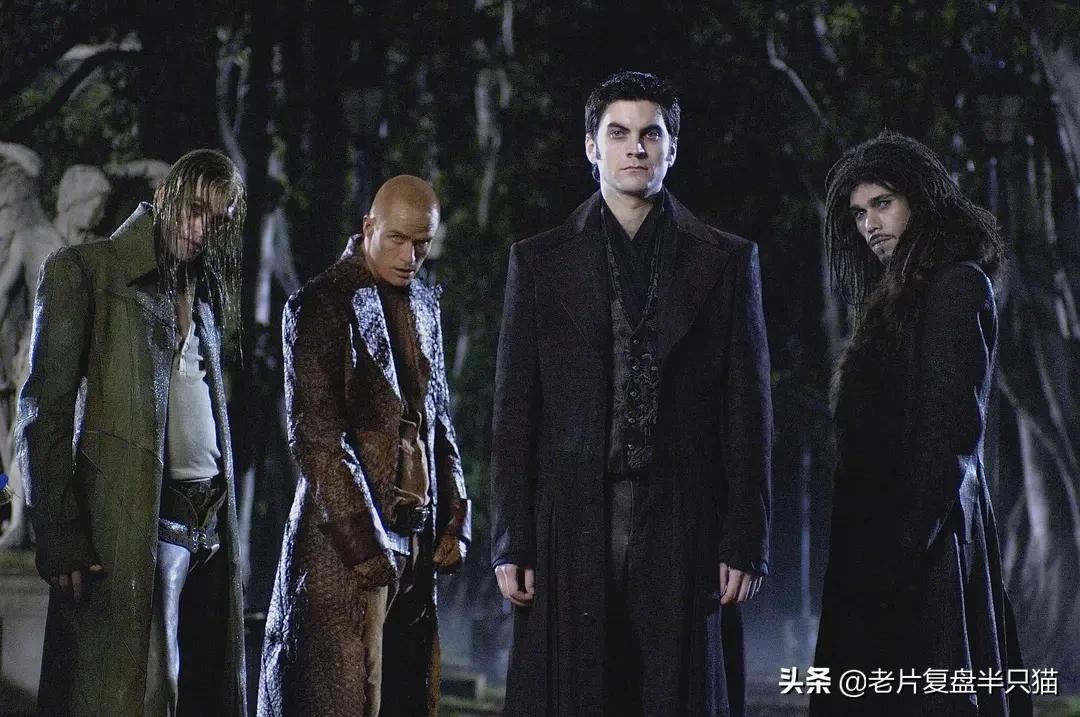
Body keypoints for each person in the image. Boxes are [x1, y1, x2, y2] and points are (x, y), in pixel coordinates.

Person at [489, 70, 773, 716]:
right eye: (618, 133)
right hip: (569, 518)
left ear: (673, 147)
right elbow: (513, 412)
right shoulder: (537, 260)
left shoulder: (728, 260)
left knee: (678, 695)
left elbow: (749, 413)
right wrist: (512, 540)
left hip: (684, 517)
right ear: (591, 147)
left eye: (652, 134)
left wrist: (746, 539)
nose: (636, 147)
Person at [16, 148, 248, 715]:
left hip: (208, 526)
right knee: (142, 694)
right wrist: (59, 534)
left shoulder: (204, 292)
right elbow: (44, 410)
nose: (202, 229)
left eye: (216, 220)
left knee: (200, 693)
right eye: (194, 210)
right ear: (166, 197)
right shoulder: (86, 271)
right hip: (133, 525)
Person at [812, 131, 1031, 716]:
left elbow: (952, 430)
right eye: (859, 212)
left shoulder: (955, 285)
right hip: (888, 535)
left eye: (882, 204)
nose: (870, 225)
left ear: (920, 200)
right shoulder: (895, 296)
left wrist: (905, 547)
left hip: (923, 542)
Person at [257, 175, 471, 717]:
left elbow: (440, 421)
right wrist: (366, 549)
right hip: (345, 547)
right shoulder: (320, 304)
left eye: (423, 243)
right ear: (369, 227)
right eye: (398, 239)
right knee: (348, 697)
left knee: (404, 694)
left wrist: (455, 520)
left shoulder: (424, 304)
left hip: (414, 540)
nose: (410, 257)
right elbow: (317, 438)